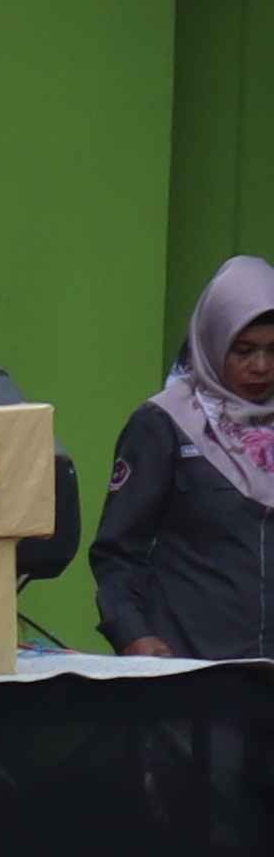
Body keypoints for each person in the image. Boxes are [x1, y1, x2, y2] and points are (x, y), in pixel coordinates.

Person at [94, 254, 274, 664]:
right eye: (243, 351)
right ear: (212, 342)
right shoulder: (165, 424)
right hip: (191, 667)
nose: (261, 367)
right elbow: (118, 552)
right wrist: (132, 635)